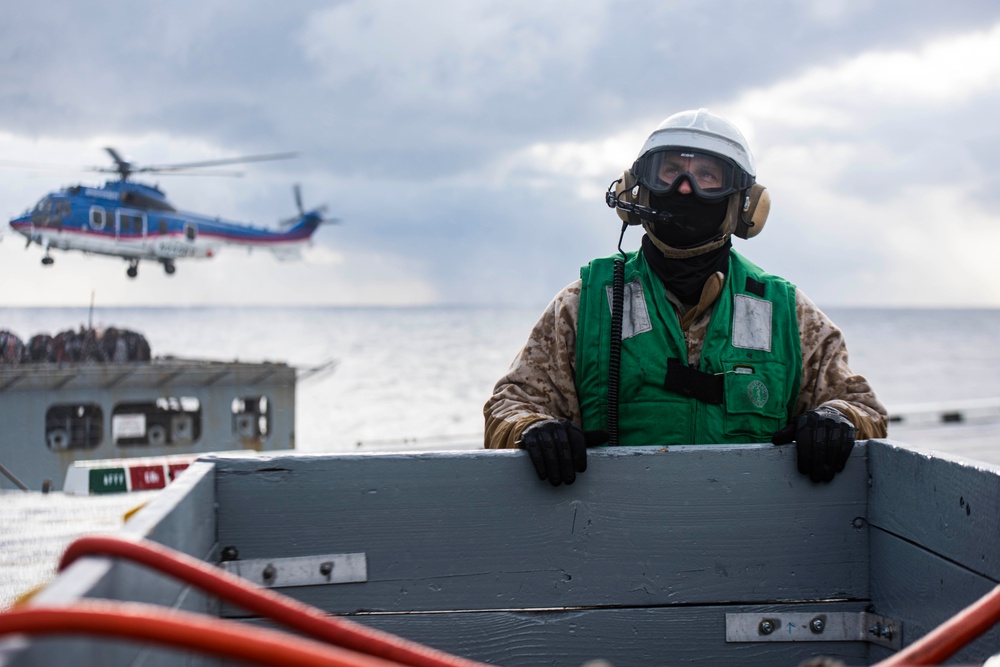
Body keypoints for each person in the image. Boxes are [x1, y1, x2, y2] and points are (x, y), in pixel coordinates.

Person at [483, 109, 887, 486]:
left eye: (707, 175)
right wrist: (533, 429)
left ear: (745, 205)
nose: (684, 188)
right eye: (671, 172)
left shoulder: (786, 311)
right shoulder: (583, 305)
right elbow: (509, 405)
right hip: (611, 534)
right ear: (637, 191)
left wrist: (835, 418)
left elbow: (862, 407)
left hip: (750, 533)